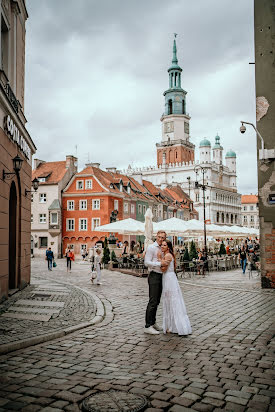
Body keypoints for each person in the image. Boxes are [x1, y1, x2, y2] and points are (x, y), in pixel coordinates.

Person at [158, 240, 192, 336]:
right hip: (169, 278)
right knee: (171, 301)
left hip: (169, 279)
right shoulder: (169, 255)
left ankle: (176, 326)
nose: (162, 247)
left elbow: (163, 268)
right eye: (162, 245)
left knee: (172, 301)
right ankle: (172, 326)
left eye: (164, 245)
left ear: (168, 247)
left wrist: (159, 259)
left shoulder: (168, 255)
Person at [144, 231, 167, 335]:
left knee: (157, 301)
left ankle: (153, 322)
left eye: (163, 237)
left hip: (161, 275)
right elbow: (146, 262)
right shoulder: (151, 248)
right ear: (156, 237)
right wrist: (158, 263)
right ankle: (148, 325)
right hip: (153, 275)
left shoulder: (162, 248)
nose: (161, 239)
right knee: (153, 301)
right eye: (159, 237)